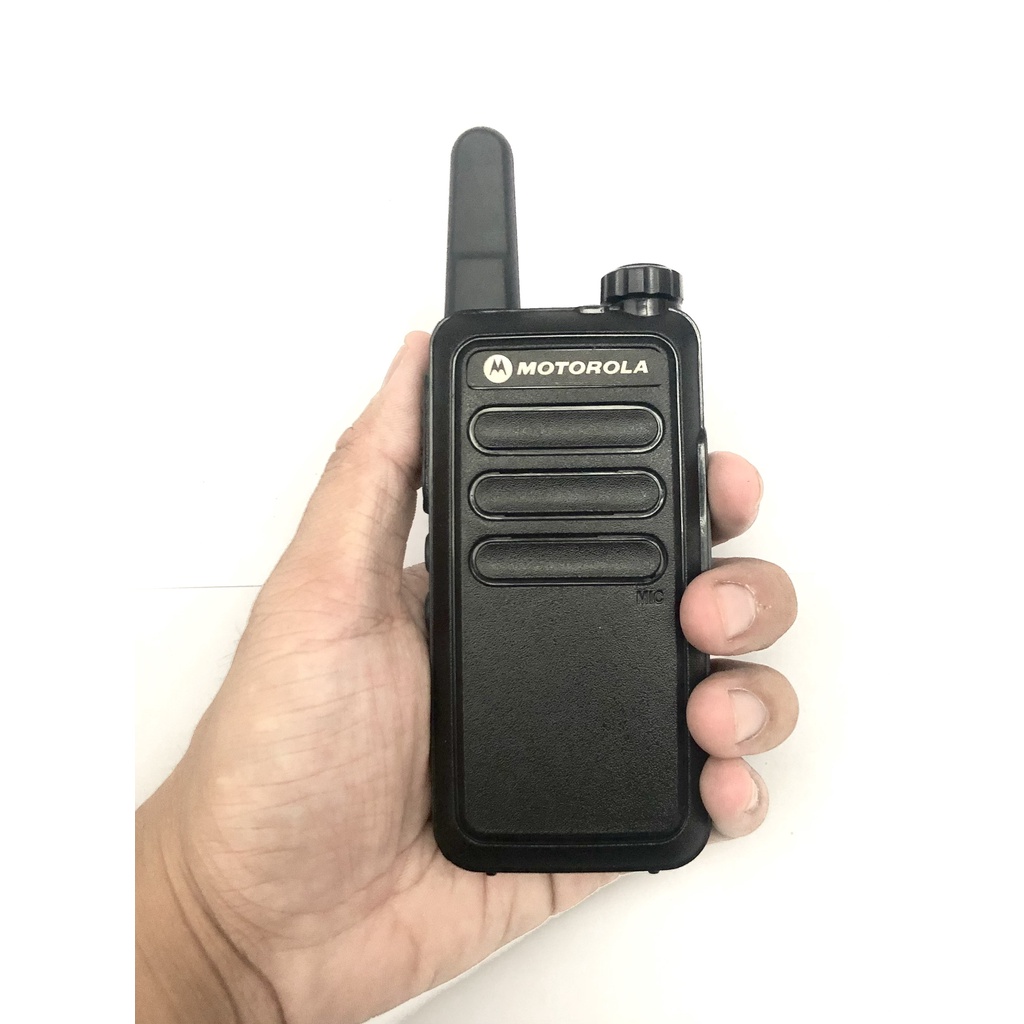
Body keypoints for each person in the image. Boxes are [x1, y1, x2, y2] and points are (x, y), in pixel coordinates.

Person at [136, 331, 799, 1024]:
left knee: (718, 637)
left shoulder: (494, 358)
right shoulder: (607, 353)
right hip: (439, 838)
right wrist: (213, 931)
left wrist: (213, 939)